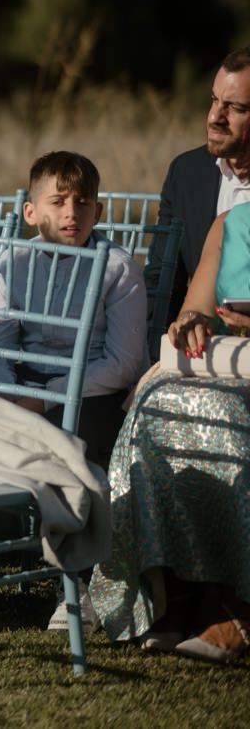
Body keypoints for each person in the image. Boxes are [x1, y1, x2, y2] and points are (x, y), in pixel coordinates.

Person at [90, 203, 250, 664]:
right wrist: (191, 323)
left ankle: (233, 602)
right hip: (227, 363)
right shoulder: (231, 223)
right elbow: (195, 307)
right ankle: (169, 584)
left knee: (224, 413)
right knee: (156, 403)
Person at [0, 152, 146, 470]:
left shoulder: (119, 269)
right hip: (24, 381)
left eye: (82, 202)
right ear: (30, 212)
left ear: (97, 212)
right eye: (57, 202)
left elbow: (121, 365)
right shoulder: (15, 261)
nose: (71, 213)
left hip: (93, 391)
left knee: (45, 446)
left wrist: (43, 400)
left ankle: (52, 502)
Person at [152, 46, 250, 324]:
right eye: (214, 100)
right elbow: (163, 280)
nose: (214, 117)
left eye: (235, 108)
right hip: (206, 342)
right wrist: (159, 341)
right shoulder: (187, 172)